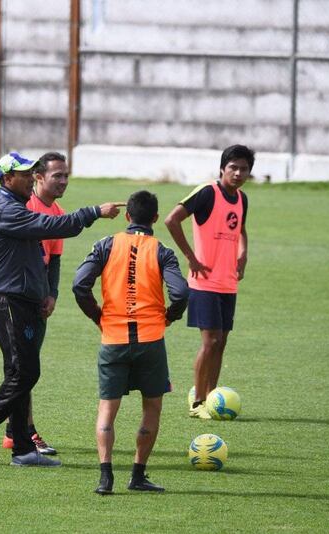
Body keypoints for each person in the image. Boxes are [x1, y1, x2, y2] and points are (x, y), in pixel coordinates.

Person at [0, 151, 122, 467]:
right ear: (8, 179)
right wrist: (94, 212)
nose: (29, 179)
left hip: (24, 302)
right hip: (8, 302)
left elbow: (49, 253)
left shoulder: (17, 207)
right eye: (24, 175)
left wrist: (49, 292)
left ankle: (22, 449)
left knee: (20, 373)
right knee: (25, 372)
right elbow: (55, 225)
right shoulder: (6, 210)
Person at [72, 190, 188, 494]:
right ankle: (137, 475)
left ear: (127, 216)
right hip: (151, 340)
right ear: (155, 218)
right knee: (152, 408)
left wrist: (98, 316)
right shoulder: (162, 251)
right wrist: (169, 317)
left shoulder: (106, 245)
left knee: (107, 409)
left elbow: (79, 285)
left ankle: (105, 477)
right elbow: (181, 293)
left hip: (113, 339)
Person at [163, 144, 254, 420]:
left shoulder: (242, 199)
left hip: (228, 283)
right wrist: (191, 257)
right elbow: (171, 220)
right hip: (204, 283)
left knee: (221, 342)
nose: (238, 173)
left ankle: (212, 397)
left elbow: (241, 230)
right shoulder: (207, 192)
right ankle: (197, 402)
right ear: (222, 168)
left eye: (244, 169)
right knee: (210, 341)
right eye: (233, 167)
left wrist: (243, 254)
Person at [2, 152, 70, 456]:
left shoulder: (57, 212)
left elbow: (54, 260)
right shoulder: (24, 206)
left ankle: (13, 432)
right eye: (57, 175)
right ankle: (25, 432)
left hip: (38, 297)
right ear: (38, 177)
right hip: (19, 296)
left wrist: (52, 294)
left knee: (26, 366)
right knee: (24, 368)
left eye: (66, 175)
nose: (63, 181)